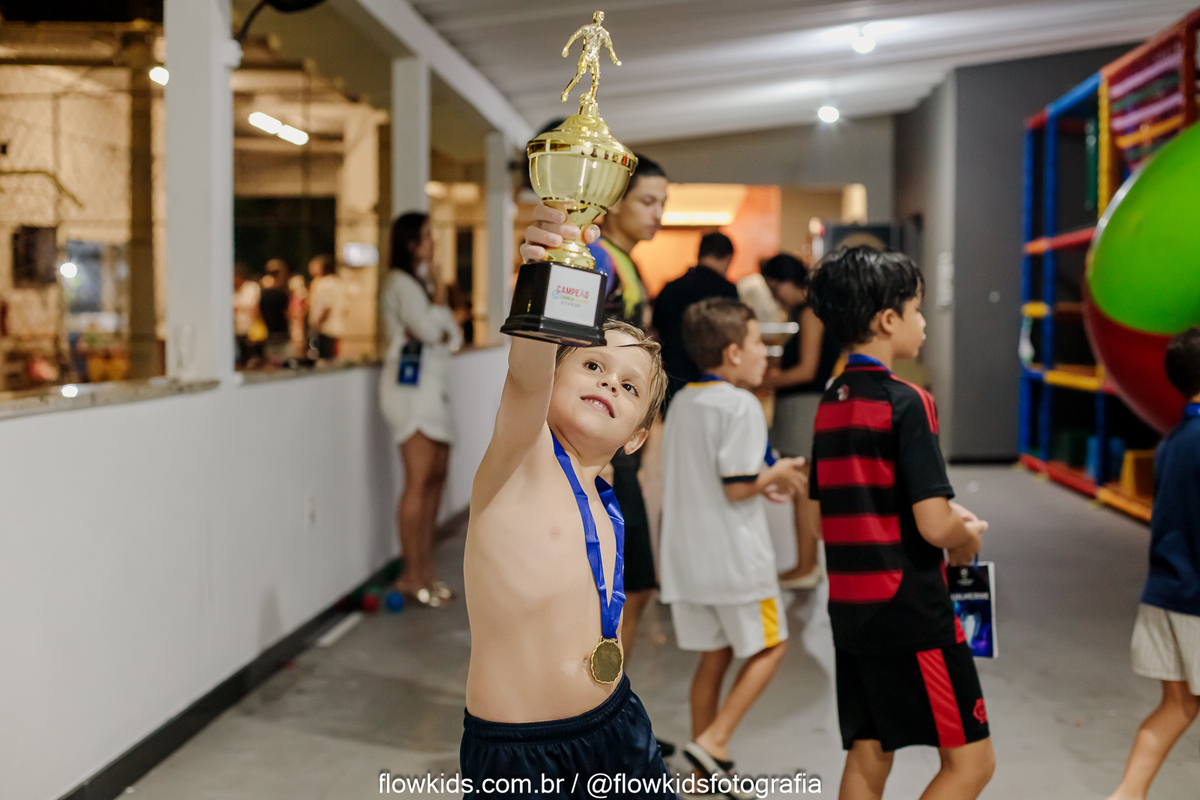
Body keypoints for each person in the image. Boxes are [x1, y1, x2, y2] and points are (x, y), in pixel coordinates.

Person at [461, 204, 674, 798]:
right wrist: (551, 267)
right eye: (593, 364)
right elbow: (527, 373)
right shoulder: (520, 460)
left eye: (628, 386)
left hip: (617, 723)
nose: (608, 382)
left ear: (636, 437)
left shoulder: (603, 499)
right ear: (555, 380)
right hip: (520, 755)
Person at [807, 246, 994, 800]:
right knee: (972, 763)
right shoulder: (909, 401)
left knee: (870, 752)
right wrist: (965, 536)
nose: (923, 324)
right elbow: (935, 525)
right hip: (910, 610)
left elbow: (820, 521)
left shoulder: (830, 401)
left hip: (851, 610)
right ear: (888, 320)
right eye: (917, 310)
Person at [659, 298, 806, 788]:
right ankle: (715, 742)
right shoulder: (741, 405)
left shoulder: (683, 401)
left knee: (714, 655)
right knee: (773, 646)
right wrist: (778, 475)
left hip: (688, 562)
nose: (766, 352)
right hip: (738, 562)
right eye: (758, 342)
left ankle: (704, 775)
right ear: (733, 352)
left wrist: (764, 478)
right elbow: (738, 485)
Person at [1106, 326, 1200, 800]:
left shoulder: (1171, 442)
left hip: (1164, 594)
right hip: (1196, 601)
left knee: (1178, 706)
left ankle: (1127, 794)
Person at [588, 155, 669, 660]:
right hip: (603, 450)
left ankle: (612, 693)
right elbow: (573, 355)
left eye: (663, 203)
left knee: (632, 587)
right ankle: (603, 695)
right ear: (615, 202)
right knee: (620, 589)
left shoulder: (625, 263)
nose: (657, 213)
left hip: (619, 447)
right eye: (647, 201)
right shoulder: (598, 259)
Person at [379, 212, 463, 608]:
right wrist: (441, 306)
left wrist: (438, 317)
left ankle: (426, 571)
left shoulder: (422, 286)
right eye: (428, 235)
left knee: (436, 477)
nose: (434, 242)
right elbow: (433, 331)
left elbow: (453, 337)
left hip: (433, 388)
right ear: (412, 242)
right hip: (410, 392)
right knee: (419, 478)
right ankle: (411, 575)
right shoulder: (400, 283)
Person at [759, 254, 842, 591]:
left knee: (803, 490)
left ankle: (806, 566)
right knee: (803, 488)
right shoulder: (812, 310)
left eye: (774, 287)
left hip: (804, 407)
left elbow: (807, 370)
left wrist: (763, 381)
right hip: (803, 406)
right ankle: (805, 564)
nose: (774, 296)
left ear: (789, 281)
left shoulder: (810, 312)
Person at [652, 232, 739, 409]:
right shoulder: (727, 291)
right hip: (714, 381)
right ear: (728, 258)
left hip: (674, 378)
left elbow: (654, 333)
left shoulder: (671, 288)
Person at [307, 253, 344, 360]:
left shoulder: (325, 284)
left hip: (325, 329)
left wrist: (317, 323)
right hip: (334, 328)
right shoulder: (336, 282)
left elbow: (326, 307)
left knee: (325, 359)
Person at [258, 258, 291, 365]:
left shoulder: (263, 291)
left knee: (270, 363)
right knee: (284, 362)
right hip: (281, 334)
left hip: (268, 333)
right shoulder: (281, 293)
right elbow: (288, 313)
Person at [232, 263, 262, 367]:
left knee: (253, 358)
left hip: (250, 329)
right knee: (241, 359)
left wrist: (254, 329)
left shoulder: (251, 287)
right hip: (237, 330)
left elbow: (255, 308)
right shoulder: (232, 291)